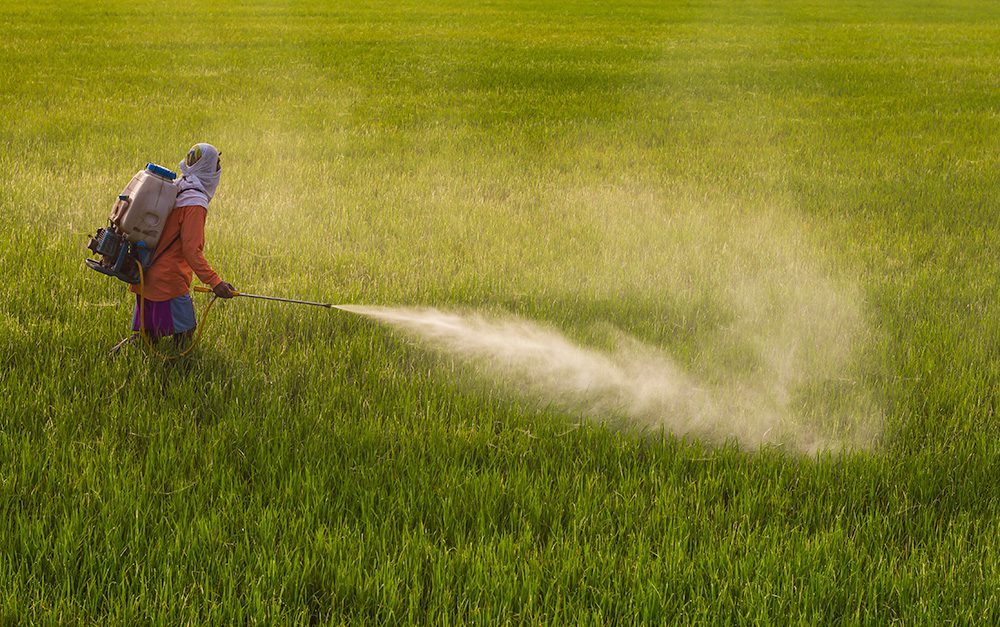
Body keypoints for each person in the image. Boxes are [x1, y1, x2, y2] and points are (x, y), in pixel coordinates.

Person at [119, 143, 237, 352]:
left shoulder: (176, 186)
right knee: (185, 332)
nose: (219, 169)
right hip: (168, 280)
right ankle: (176, 370)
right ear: (208, 168)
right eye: (217, 164)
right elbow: (192, 251)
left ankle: (121, 358)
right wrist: (215, 282)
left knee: (148, 338)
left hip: (144, 271)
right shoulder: (195, 203)